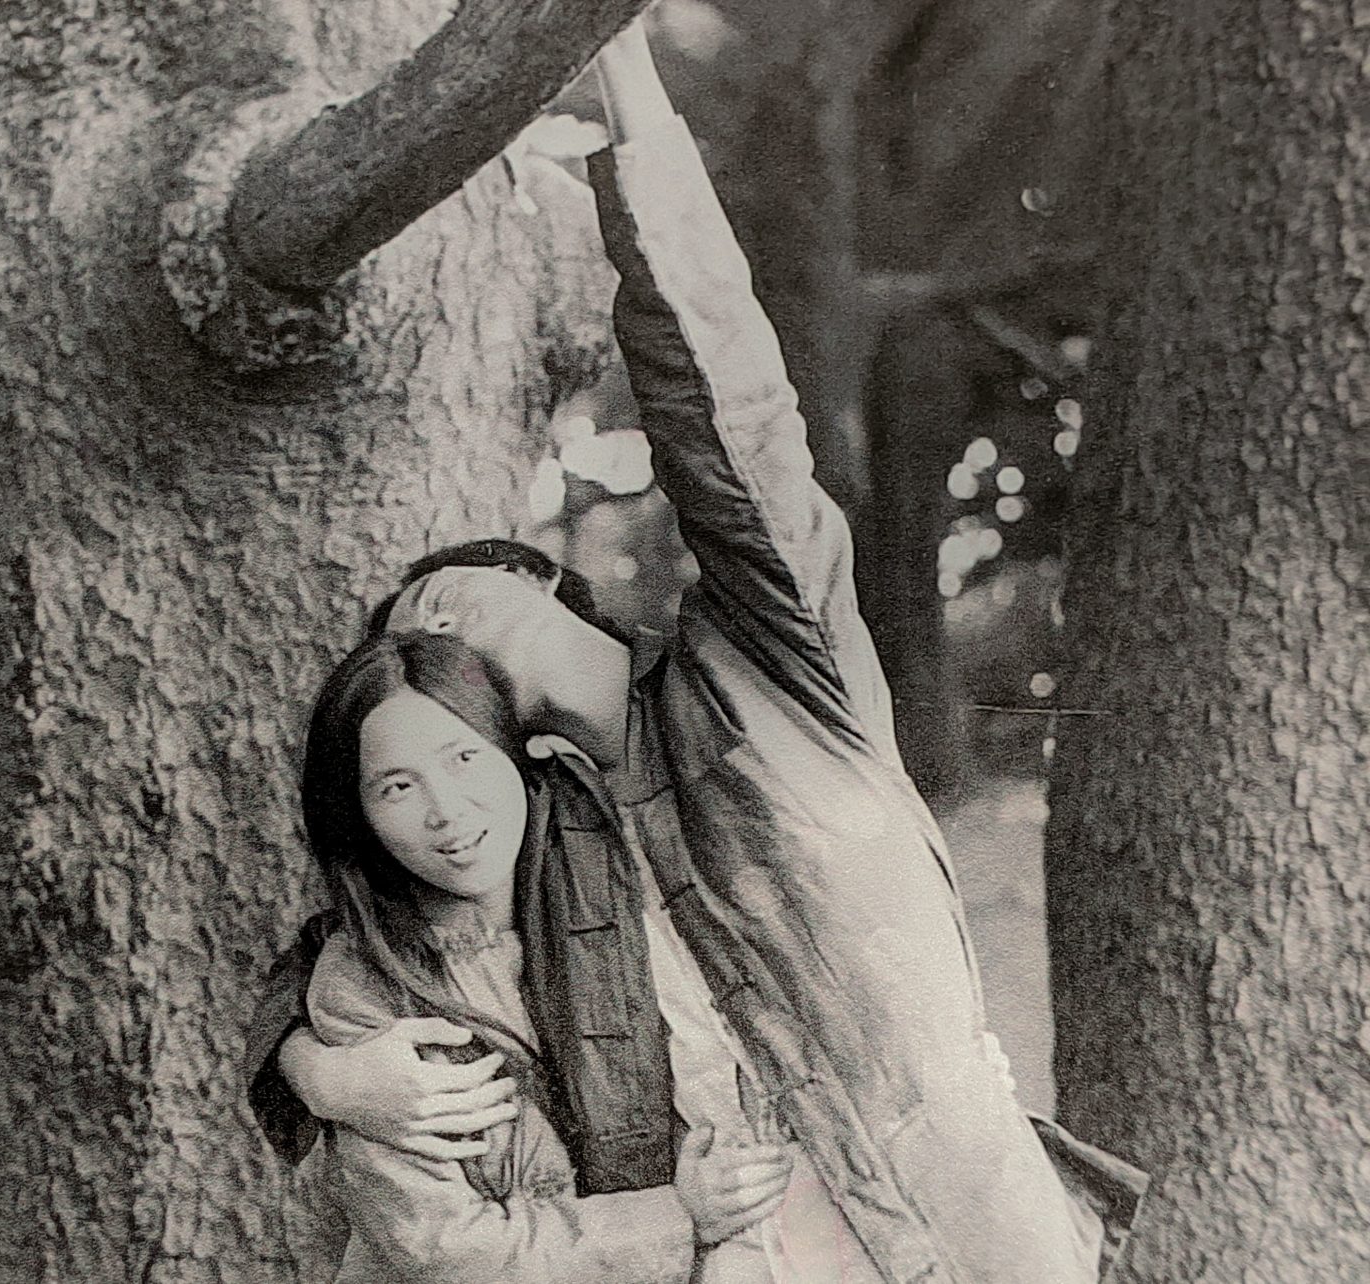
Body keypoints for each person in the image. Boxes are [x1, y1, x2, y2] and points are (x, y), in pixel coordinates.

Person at [248, 18, 1147, 1284]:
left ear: (543, 586)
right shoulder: (545, 831)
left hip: (963, 1229)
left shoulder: (780, 670)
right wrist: (317, 1062)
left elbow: (727, 407)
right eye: (414, 658)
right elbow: (366, 916)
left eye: (441, 599)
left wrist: (629, 111)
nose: (426, 632)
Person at [300, 628, 800, 1281]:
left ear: (516, 755)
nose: (446, 812)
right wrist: (677, 1218)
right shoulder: (362, 984)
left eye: (465, 759)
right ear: (358, 813)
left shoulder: (612, 881)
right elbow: (449, 1252)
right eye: (398, 786)